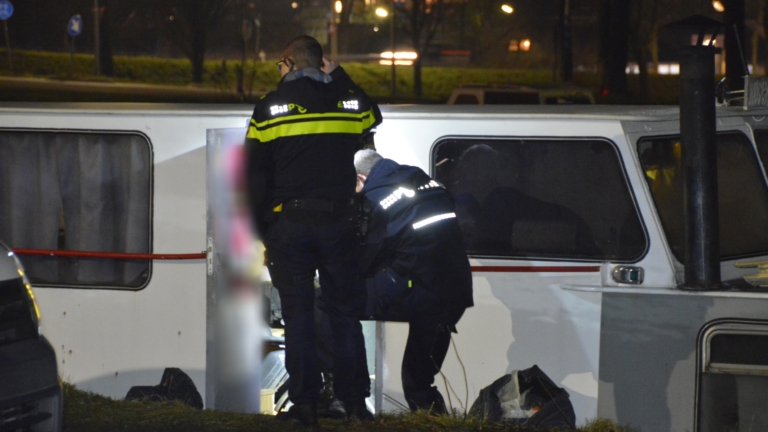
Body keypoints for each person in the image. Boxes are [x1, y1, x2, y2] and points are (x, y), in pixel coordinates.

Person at [245, 35, 382, 425]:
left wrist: (262, 230)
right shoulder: (346, 103)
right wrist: (337, 74)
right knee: (344, 314)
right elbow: (373, 114)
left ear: (288, 62)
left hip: (290, 225)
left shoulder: (269, 108)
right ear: (321, 64)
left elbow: (253, 175)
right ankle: (355, 403)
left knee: (299, 316)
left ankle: (304, 407)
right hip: (339, 223)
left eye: (280, 65)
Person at [353, 149, 474, 414]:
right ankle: (436, 422)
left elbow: (367, 257)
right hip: (454, 291)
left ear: (362, 177)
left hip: (421, 290)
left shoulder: (376, 198)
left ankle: (347, 396)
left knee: (329, 305)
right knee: (418, 381)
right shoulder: (425, 181)